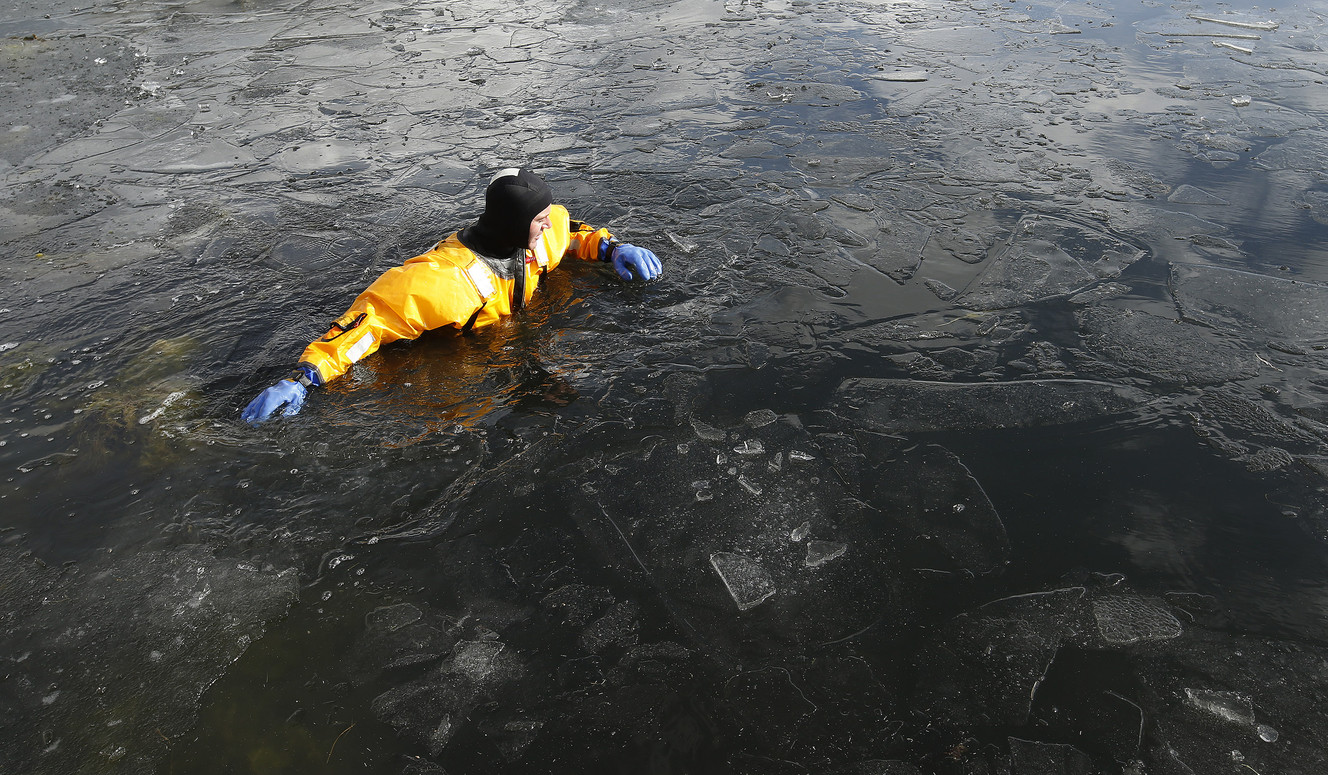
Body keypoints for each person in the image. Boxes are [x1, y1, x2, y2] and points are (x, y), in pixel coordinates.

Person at [241, 168, 662, 424]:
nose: (549, 226)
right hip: (446, 354)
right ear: (515, 225)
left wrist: (609, 248)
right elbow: (368, 324)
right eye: (539, 220)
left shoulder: (538, 237)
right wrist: (303, 377)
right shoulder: (440, 283)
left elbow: (570, 236)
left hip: (506, 337)